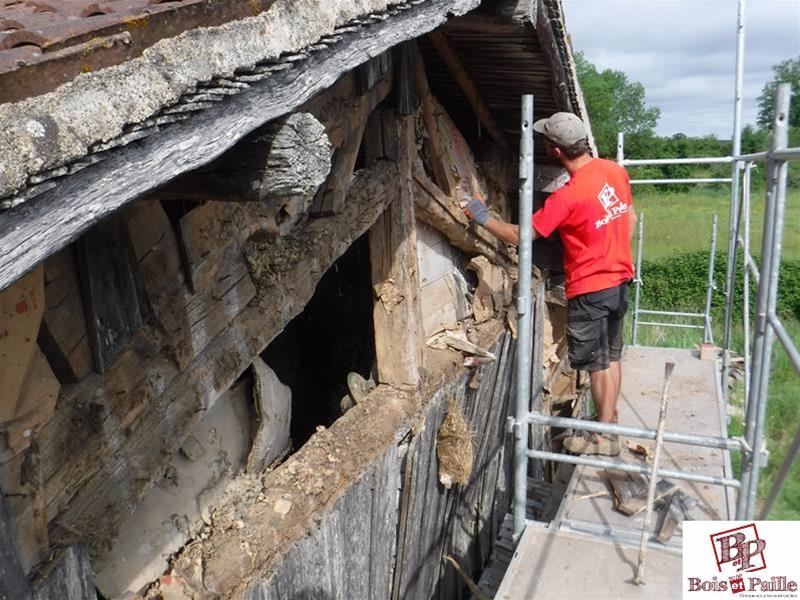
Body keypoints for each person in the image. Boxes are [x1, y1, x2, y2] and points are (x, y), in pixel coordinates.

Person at [463, 112, 636, 457]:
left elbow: (520, 236)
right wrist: (611, 252)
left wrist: (481, 216)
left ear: (555, 152)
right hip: (619, 281)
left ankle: (603, 439)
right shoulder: (614, 172)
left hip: (591, 288)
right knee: (610, 357)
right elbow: (629, 217)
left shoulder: (567, 198)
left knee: (597, 363)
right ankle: (609, 423)